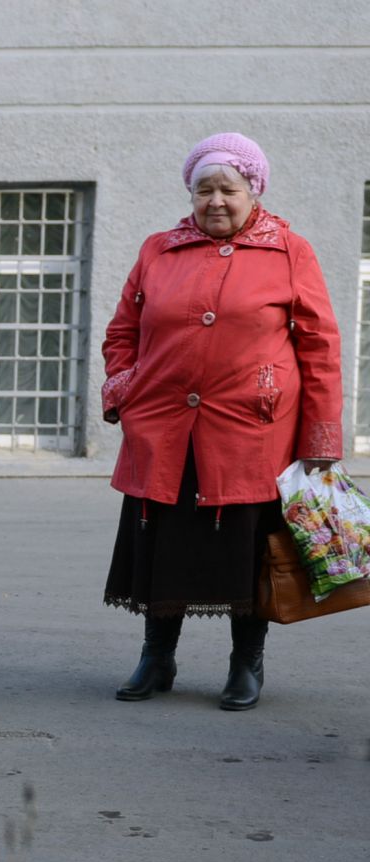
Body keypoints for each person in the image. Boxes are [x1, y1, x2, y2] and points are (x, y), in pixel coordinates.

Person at [101, 132, 343, 710]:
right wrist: (128, 390)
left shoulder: (290, 250)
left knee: (246, 551)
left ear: (253, 190)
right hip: (162, 428)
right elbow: (122, 333)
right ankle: (156, 657)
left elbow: (320, 346)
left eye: (228, 189)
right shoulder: (158, 249)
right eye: (203, 189)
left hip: (252, 432)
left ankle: (246, 664)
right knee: (160, 541)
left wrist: (321, 438)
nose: (215, 201)